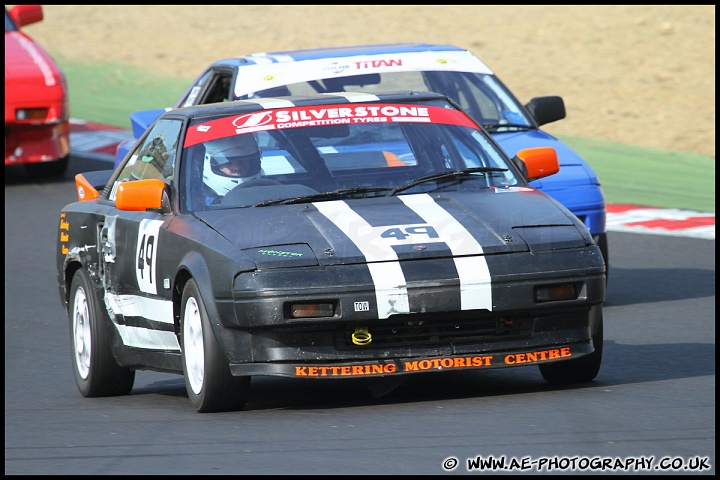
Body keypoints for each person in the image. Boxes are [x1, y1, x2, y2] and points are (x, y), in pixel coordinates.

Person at [202, 134, 263, 205]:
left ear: (252, 163)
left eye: (242, 161)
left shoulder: (266, 192)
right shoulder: (200, 204)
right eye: (228, 163)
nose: (237, 168)